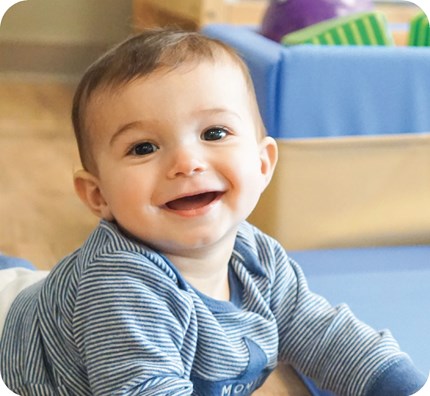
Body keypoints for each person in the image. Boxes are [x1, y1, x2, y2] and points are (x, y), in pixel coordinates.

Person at [0, 28, 426, 396]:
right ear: (98, 196)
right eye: (144, 147)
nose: (187, 163)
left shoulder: (259, 260)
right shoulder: (120, 289)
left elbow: (324, 335)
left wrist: (404, 385)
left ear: (262, 165)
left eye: (214, 133)